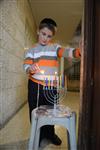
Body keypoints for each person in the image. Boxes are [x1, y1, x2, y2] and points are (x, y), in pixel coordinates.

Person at [23, 18, 81, 146]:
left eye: (49, 36)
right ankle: (37, 133)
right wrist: (30, 68)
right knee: (36, 110)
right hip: (35, 85)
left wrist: (78, 52)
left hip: (51, 86)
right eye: (43, 34)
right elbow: (26, 65)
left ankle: (50, 134)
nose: (45, 38)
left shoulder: (55, 48)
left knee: (51, 111)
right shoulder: (31, 50)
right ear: (38, 31)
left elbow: (67, 52)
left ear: (52, 37)